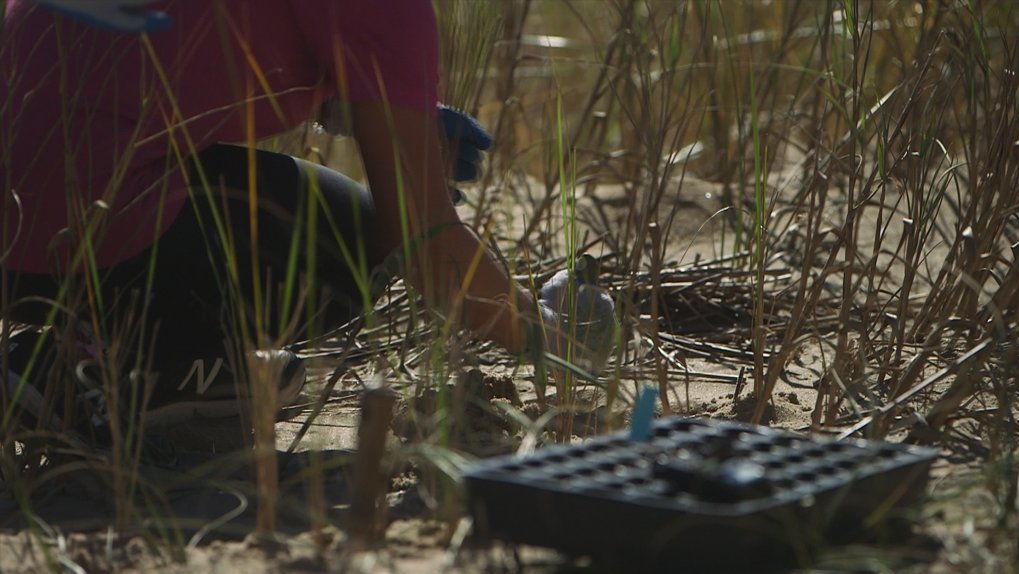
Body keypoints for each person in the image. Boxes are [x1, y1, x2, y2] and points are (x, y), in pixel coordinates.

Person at [0, 0, 614, 446]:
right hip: (88, 235)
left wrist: (344, 106)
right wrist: (546, 337)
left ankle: (202, 368)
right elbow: (424, 246)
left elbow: (145, 52)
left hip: (16, 255)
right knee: (363, 242)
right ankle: (115, 373)